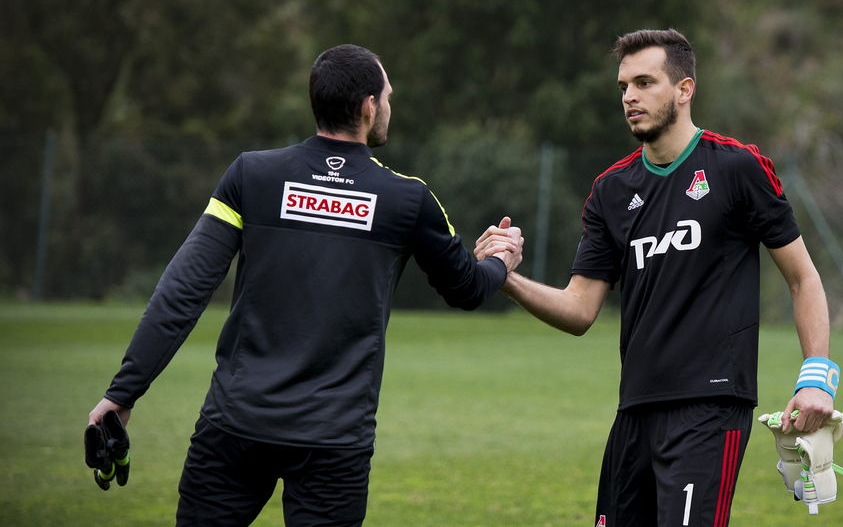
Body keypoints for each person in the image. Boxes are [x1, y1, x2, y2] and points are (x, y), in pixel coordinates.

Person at [87, 44, 523, 527]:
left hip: (234, 427)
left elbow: (183, 289)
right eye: (388, 97)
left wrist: (123, 394)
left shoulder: (251, 174)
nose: (389, 106)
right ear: (368, 107)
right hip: (334, 443)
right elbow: (466, 288)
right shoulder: (408, 199)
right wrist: (501, 260)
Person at [476, 29, 838, 527]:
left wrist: (818, 380)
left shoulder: (737, 167)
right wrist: (506, 277)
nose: (629, 96)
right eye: (623, 86)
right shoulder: (610, 191)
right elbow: (579, 309)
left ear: (684, 90)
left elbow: (802, 278)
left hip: (710, 408)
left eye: (644, 83)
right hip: (634, 411)